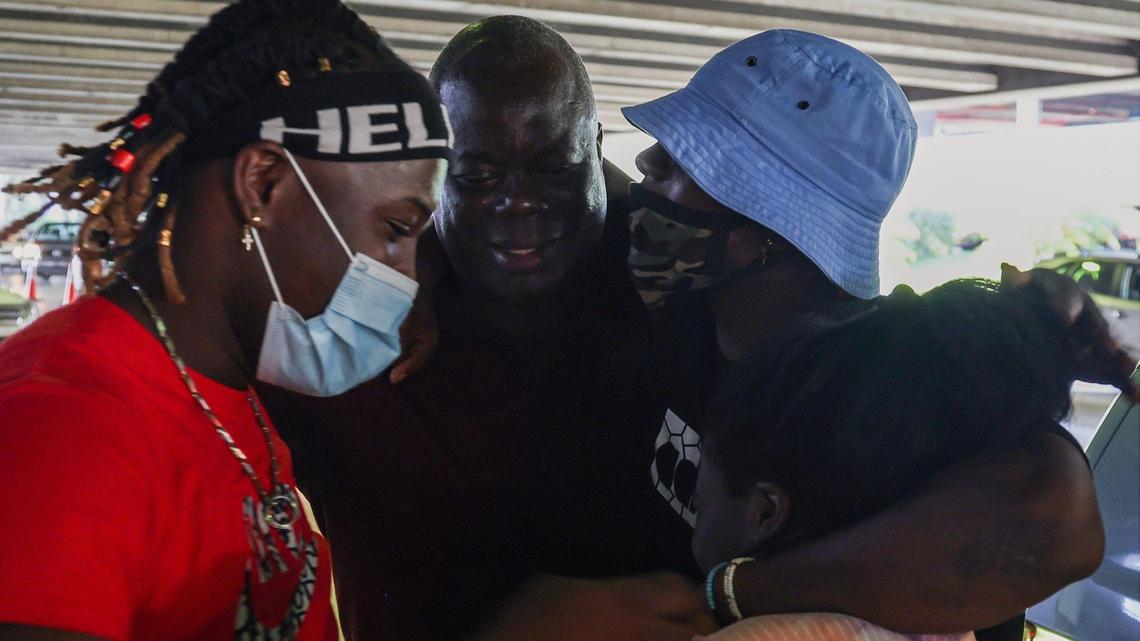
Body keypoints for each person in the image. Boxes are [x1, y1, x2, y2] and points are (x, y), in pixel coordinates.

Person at [620, 29, 1113, 641]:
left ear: (768, 223)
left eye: (684, 159)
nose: (647, 164)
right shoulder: (690, 310)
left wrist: (727, 597)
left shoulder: (896, 379)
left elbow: (1058, 525)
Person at [0, 0, 449, 638]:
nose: (405, 279)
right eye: (394, 231)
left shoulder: (223, 394)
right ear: (262, 185)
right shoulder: (65, 433)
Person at [259, 15, 711, 641]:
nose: (519, 202)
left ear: (597, 151)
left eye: (555, 169)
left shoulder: (678, 291)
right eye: (477, 178)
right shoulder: (352, 325)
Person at [691, 269, 1139, 641]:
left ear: (765, 512)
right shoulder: (937, 617)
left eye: (700, 491)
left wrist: (727, 592)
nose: (696, 502)